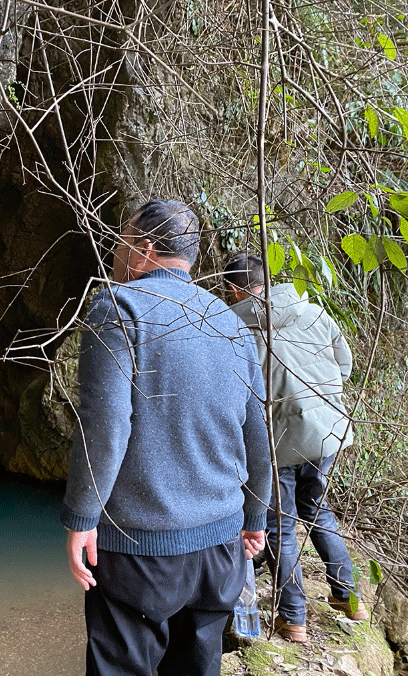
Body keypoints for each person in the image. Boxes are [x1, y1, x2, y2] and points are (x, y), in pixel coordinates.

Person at [61, 200, 272, 676]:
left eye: (121, 238)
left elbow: (106, 426)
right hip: (221, 548)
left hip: (141, 550)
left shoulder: (119, 308)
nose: (115, 249)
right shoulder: (231, 324)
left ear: (143, 247)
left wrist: (81, 517)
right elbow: (258, 429)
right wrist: (256, 516)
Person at [222, 253, 368, 643]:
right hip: (327, 433)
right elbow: (345, 364)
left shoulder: (235, 329)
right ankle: (350, 600)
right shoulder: (312, 309)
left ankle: (295, 621)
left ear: (234, 290)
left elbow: (234, 396)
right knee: (319, 514)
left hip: (278, 444)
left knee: (280, 528)